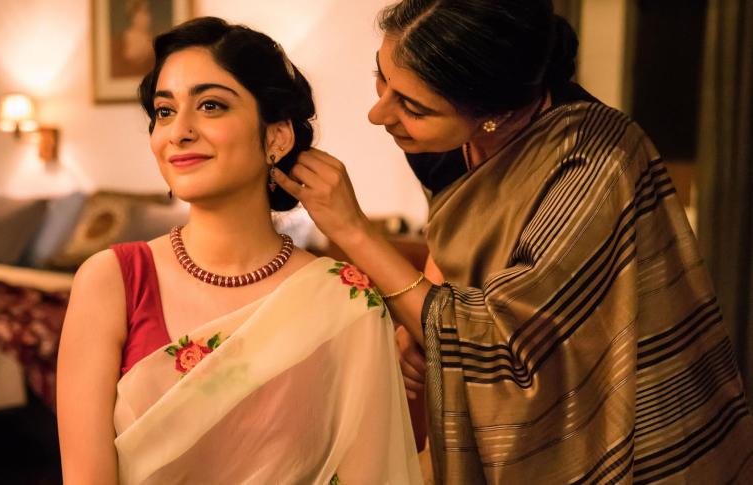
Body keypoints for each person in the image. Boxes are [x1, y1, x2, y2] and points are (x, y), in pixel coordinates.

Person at [273, 0, 753, 483]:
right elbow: (457, 237)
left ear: (494, 114)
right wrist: (419, 322)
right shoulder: (441, 150)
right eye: (382, 78)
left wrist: (353, 230)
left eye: (413, 106)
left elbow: (511, 347)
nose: (379, 114)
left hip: (624, 418)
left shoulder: (593, 166)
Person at [57, 17, 422, 484]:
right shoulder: (111, 281)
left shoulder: (343, 301)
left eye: (210, 106)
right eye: (164, 111)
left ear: (276, 137)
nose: (179, 131)